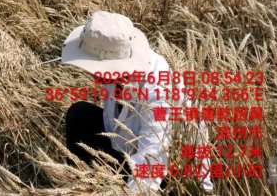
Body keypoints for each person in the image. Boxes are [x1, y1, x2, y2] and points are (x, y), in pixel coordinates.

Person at [61, 10, 214, 195]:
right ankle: (83, 185)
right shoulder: (117, 68)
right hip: (130, 148)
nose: (91, 72)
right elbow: (114, 123)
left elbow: (152, 159)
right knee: (79, 114)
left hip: (172, 176)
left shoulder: (158, 89)